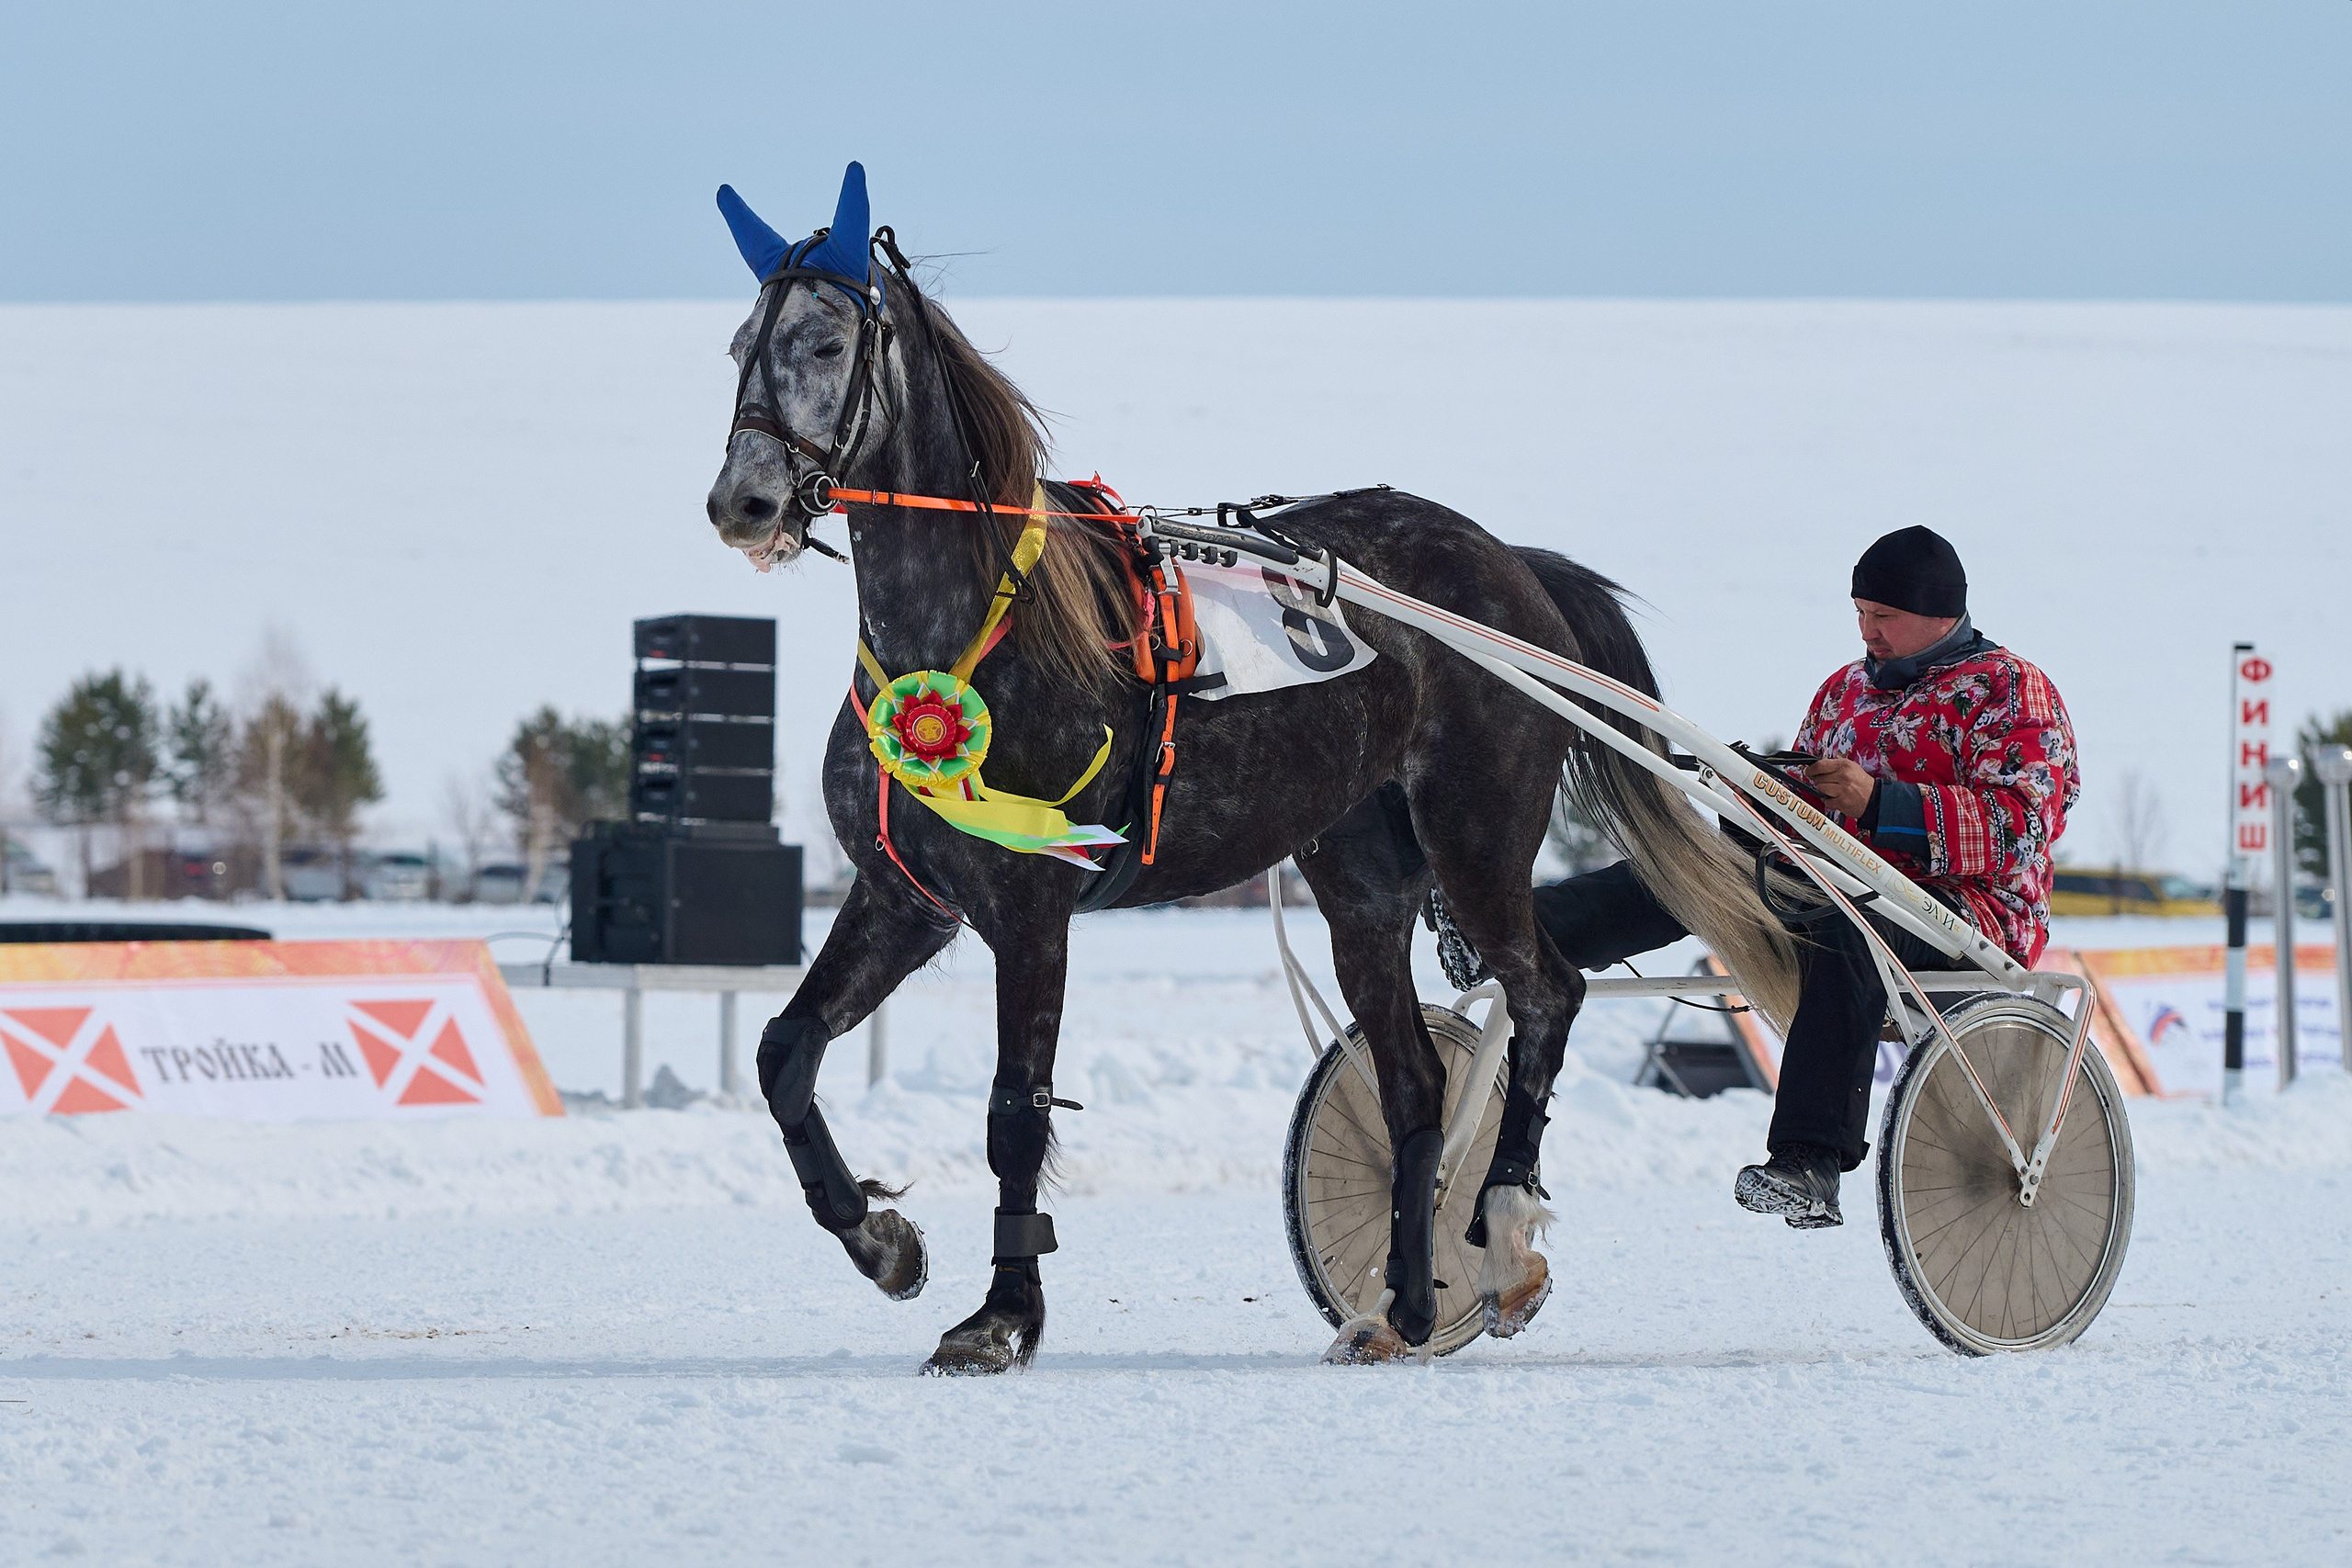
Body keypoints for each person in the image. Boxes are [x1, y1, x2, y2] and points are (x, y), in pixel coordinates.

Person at [1534, 525, 2079, 1227]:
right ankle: (1524, 934)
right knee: (1698, 866)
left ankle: (1809, 1161)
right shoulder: (1842, 689)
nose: (1867, 632)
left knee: (1851, 921)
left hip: (1968, 915)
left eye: (1883, 617)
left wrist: (1880, 803)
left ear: (1942, 613)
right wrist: (1760, 797)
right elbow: (1798, 823)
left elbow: (2021, 824)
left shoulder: (2013, 690)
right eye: (1859, 614)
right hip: (1836, 888)